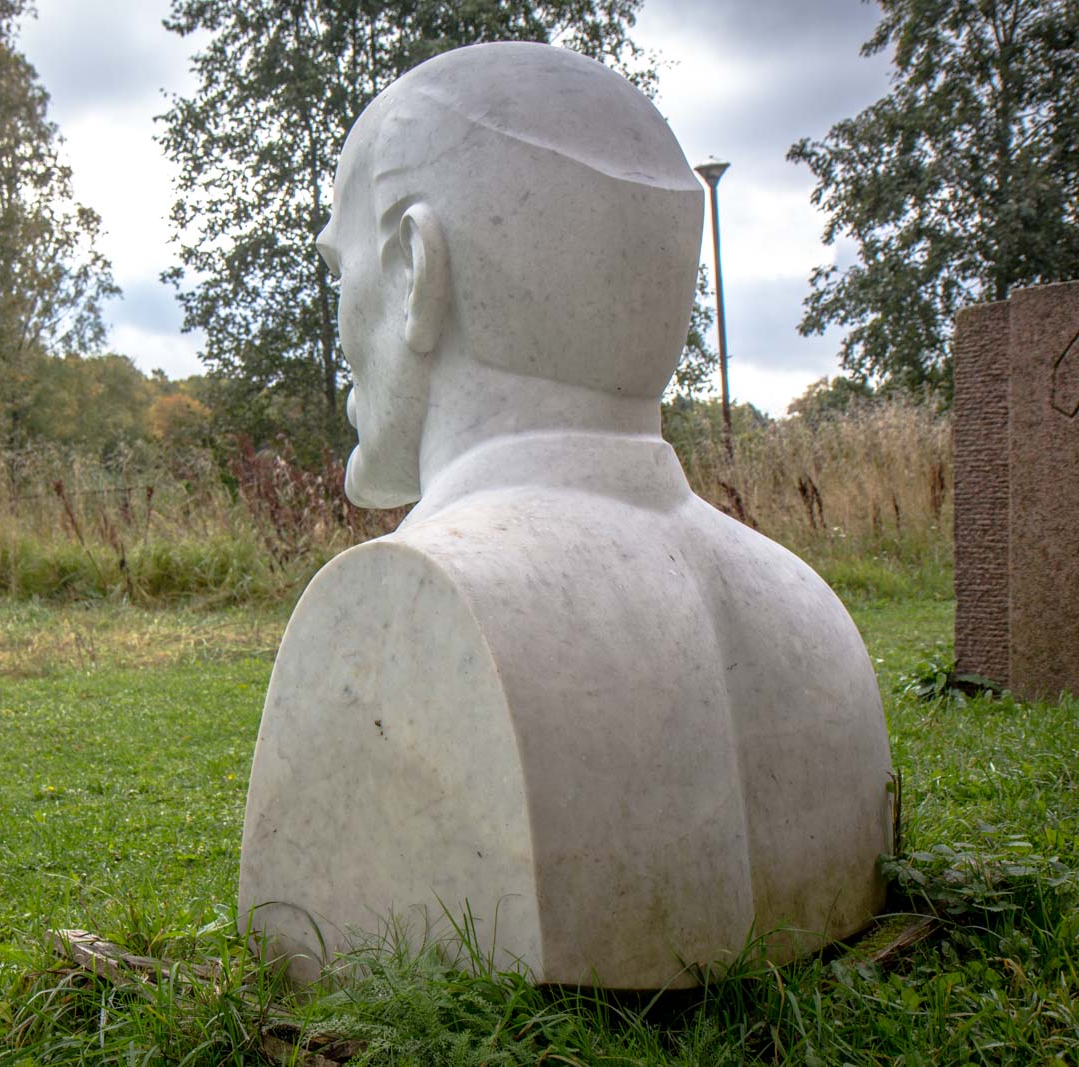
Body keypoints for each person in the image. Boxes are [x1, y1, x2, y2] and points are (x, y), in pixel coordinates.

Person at [238, 42, 892, 989]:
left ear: (417, 270)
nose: (341, 318)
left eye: (343, 269)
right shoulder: (806, 604)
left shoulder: (391, 605)